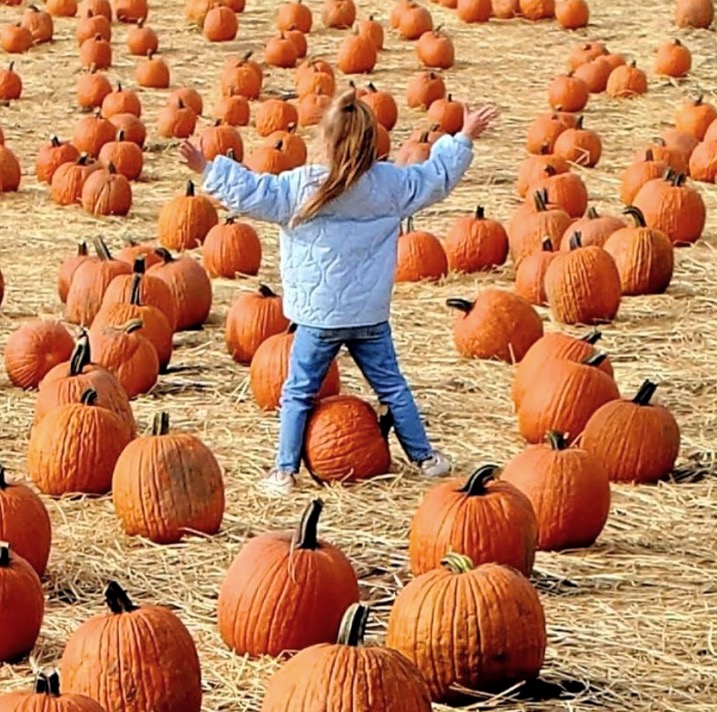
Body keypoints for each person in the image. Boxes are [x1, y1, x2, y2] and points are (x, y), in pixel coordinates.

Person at [179, 91, 498, 494]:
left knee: (298, 391)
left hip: (318, 316)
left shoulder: (301, 187)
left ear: (324, 141)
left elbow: (252, 192)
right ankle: (425, 458)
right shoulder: (390, 184)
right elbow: (434, 178)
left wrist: (207, 168)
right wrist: (464, 136)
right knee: (392, 387)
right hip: (368, 314)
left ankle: (283, 472)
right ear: (370, 143)